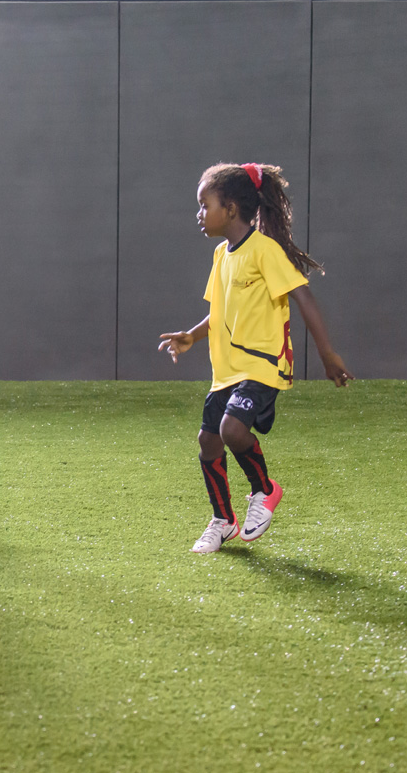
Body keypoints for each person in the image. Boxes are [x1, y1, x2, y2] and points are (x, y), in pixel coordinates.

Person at [159, 162, 353, 554]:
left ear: (231, 208)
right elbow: (220, 311)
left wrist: (327, 353)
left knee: (232, 430)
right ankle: (223, 520)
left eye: (205, 205)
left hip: (264, 365)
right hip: (227, 371)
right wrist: (192, 336)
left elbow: (303, 296)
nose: (199, 213)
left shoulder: (264, 250)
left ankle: (264, 490)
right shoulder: (221, 255)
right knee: (208, 441)